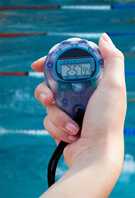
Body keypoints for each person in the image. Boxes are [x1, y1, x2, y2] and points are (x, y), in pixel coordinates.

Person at [32, 33, 127, 197]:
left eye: (80, 70)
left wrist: (94, 154)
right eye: (71, 70)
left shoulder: (57, 63)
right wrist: (95, 156)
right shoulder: (91, 61)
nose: (76, 87)